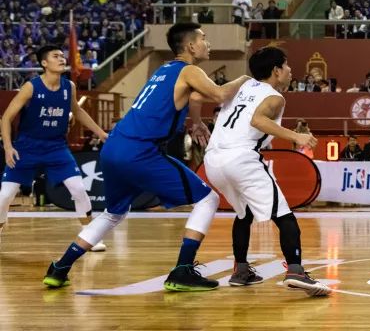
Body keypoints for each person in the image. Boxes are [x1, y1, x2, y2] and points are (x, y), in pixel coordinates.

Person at [42, 22, 248, 291]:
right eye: (203, 38)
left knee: (113, 213)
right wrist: (246, 78)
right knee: (208, 199)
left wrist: (196, 122)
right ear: (190, 46)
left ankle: (59, 268)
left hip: (114, 146)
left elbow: (194, 97)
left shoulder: (163, 70)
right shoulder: (190, 70)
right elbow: (220, 94)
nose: (207, 43)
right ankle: (182, 270)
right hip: (140, 150)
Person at [202, 47, 329, 296]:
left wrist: (197, 121)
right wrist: (296, 136)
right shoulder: (274, 97)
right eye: (287, 65)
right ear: (276, 71)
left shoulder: (241, 86)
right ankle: (295, 271)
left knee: (244, 213)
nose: (291, 70)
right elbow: (258, 120)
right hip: (241, 157)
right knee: (283, 215)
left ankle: (241, 270)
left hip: (213, 160)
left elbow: (199, 96)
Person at [1, 45, 109, 250]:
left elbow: (78, 111)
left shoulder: (69, 86)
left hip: (56, 147)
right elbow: (6, 117)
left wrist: (101, 133)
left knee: (78, 189)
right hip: (27, 147)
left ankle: (90, 235)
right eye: (56, 56)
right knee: (5, 196)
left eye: (62, 55)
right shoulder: (31, 87)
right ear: (44, 63)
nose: (61, 59)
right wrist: (8, 147)